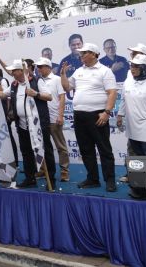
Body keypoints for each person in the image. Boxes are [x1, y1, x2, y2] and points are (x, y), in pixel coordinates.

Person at [0, 59, 56, 188]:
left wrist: (36, 94)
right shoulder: (14, 85)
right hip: (22, 125)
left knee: (46, 150)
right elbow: (1, 94)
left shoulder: (37, 81)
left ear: (21, 70)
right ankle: (30, 178)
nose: (12, 73)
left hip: (38, 124)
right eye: (12, 71)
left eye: (14, 70)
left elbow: (49, 96)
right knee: (26, 152)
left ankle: (51, 179)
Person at [61, 43, 118, 192]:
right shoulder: (79, 71)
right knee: (86, 149)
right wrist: (63, 75)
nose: (81, 55)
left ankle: (110, 180)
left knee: (104, 149)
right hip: (79, 115)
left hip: (97, 114)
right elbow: (67, 87)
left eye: (84, 52)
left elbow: (112, 92)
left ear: (93, 54)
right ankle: (92, 179)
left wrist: (107, 112)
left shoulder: (105, 71)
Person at [117, 54, 146, 156]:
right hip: (132, 126)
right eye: (132, 66)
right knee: (137, 156)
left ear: (144, 68)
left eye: (136, 66)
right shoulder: (128, 82)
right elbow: (123, 100)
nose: (132, 69)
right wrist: (120, 115)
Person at [35, 57, 70, 182]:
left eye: (41, 66)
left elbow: (62, 98)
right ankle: (43, 169)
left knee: (60, 146)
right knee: (42, 146)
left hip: (54, 117)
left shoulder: (57, 79)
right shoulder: (36, 80)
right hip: (41, 118)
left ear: (48, 67)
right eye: (37, 67)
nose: (38, 69)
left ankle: (64, 171)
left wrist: (60, 115)